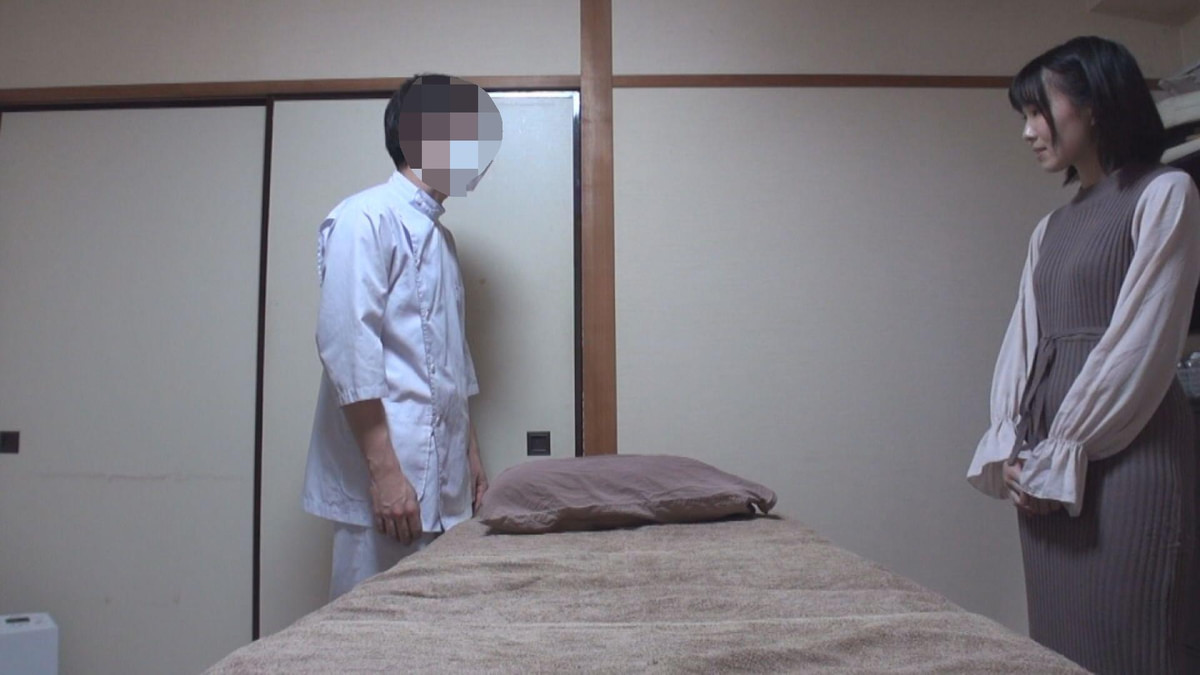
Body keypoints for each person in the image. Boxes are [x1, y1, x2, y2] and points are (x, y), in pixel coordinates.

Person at [967, 37, 1200, 673]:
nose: (1027, 131)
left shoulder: (1165, 192)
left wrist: (1063, 452)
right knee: (1059, 646)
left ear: (1093, 105)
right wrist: (1015, 450)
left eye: (1037, 111)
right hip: (1047, 459)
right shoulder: (1049, 229)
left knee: (1137, 640)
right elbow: (1022, 345)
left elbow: (1143, 341)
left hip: (1128, 455)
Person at [302, 74, 502, 600]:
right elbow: (348, 349)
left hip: (444, 482)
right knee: (372, 629)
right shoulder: (364, 217)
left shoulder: (441, 238)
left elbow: (451, 361)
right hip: (386, 486)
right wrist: (385, 474)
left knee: (440, 627)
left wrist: (470, 456)